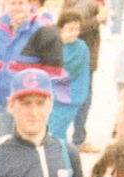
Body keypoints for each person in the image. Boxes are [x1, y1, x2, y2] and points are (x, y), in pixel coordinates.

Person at [0, 0, 64, 137]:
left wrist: (45, 101)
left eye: (21, 3)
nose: (16, 7)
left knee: (30, 141)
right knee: (6, 141)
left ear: (30, 4)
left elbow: (53, 73)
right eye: (12, 3)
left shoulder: (44, 30)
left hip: (30, 102)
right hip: (5, 101)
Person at [49, 10, 91, 143]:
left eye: (77, 29)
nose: (74, 33)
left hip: (70, 97)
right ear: (61, 28)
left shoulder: (81, 47)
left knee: (55, 134)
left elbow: (65, 70)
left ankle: (62, 156)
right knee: (51, 133)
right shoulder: (54, 43)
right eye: (70, 29)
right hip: (53, 95)